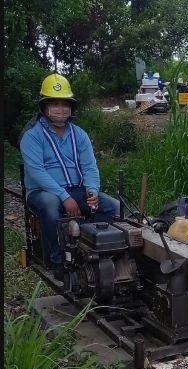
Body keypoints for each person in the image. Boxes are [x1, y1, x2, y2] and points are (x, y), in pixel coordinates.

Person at [20, 73, 119, 272]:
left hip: (77, 189)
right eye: (54, 104)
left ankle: (86, 247)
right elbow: (37, 171)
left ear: (71, 108)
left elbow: (90, 166)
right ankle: (57, 261)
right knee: (50, 203)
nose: (60, 110)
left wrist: (91, 191)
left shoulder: (79, 134)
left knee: (112, 207)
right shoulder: (32, 136)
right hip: (42, 192)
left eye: (65, 104)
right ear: (44, 107)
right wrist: (64, 197)